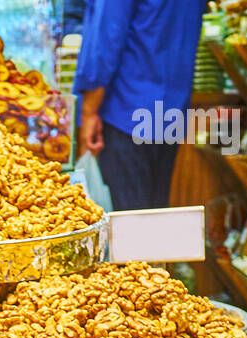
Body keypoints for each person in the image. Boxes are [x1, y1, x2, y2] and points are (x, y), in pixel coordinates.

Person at [74, 0, 207, 210]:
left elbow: (107, 36)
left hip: (127, 107)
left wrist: (89, 111)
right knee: (154, 217)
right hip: (170, 109)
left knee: (128, 223)